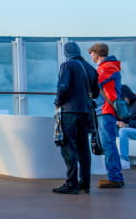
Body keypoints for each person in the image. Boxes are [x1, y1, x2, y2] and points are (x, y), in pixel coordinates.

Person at [52, 41, 99, 194]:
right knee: (83, 148)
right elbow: (96, 93)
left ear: (66, 53)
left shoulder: (67, 66)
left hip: (69, 111)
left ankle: (71, 183)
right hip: (85, 112)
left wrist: (58, 102)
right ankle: (85, 183)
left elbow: (63, 87)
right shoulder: (90, 68)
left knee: (67, 146)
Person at [88, 42, 125, 188]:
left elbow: (95, 82)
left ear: (96, 53)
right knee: (108, 143)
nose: (90, 56)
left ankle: (115, 177)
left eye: (91, 53)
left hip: (106, 110)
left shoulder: (108, 67)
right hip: (103, 110)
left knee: (108, 144)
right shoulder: (107, 67)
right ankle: (114, 176)